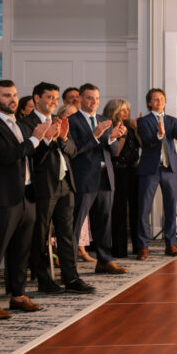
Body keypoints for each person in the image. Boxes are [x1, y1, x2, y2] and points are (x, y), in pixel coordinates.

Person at [0, 80, 54, 317]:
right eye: (6, 95)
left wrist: (47, 140)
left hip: (27, 195)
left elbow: (32, 157)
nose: (12, 99)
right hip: (2, 198)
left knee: (22, 249)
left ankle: (18, 295)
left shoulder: (20, 125)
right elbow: (6, 156)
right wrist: (34, 139)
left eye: (14, 94)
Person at [20, 82, 94, 295]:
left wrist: (61, 137)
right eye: (49, 97)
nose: (53, 101)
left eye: (55, 97)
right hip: (43, 185)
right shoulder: (27, 123)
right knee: (40, 234)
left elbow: (72, 150)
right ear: (36, 98)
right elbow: (31, 156)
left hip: (65, 183)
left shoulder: (58, 120)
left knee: (67, 234)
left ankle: (71, 278)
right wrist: (47, 138)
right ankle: (45, 280)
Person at [68, 83, 128, 275]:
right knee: (75, 224)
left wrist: (112, 138)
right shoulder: (72, 121)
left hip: (105, 177)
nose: (93, 102)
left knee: (104, 221)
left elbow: (114, 151)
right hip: (84, 179)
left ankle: (104, 261)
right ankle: (70, 268)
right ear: (80, 99)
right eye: (89, 98)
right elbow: (73, 150)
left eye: (96, 98)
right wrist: (95, 136)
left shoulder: (104, 120)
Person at [136, 88, 177, 258]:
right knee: (144, 209)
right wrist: (159, 135)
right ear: (149, 103)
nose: (159, 102)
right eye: (155, 99)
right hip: (149, 170)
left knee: (171, 207)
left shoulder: (172, 120)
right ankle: (142, 246)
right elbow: (146, 140)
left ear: (165, 101)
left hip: (170, 169)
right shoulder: (143, 121)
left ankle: (171, 244)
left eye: (161, 98)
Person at [103, 99, 141, 259]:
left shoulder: (130, 126)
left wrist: (137, 129)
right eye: (122, 110)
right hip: (118, 172)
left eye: (127, 110)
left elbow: (139, 147)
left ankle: (139, 247)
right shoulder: (108, 127)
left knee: (136, 210)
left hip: (133, 172)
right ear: (114, 111)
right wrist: (123, 135)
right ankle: (119, 249)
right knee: (118, 211)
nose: (126, 113)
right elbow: (116, 152)